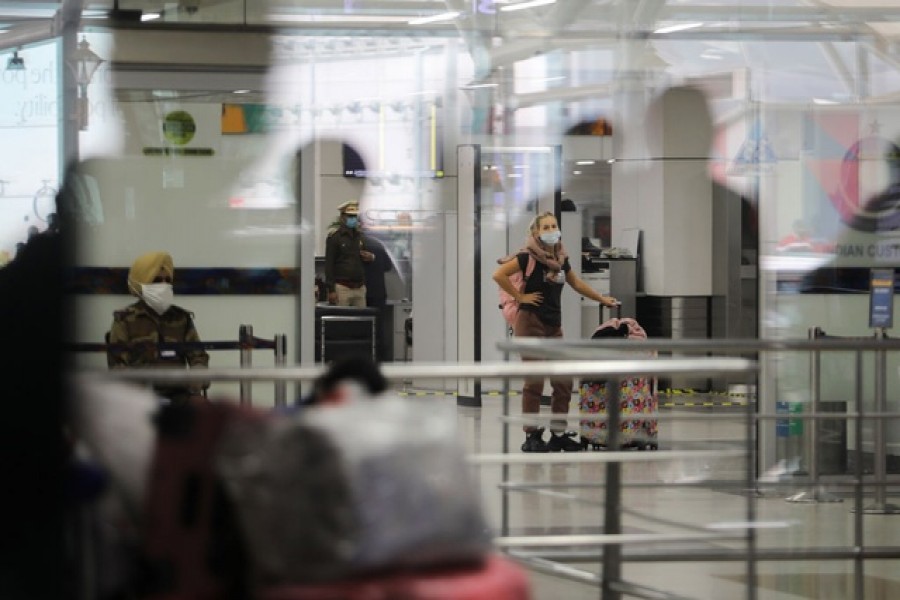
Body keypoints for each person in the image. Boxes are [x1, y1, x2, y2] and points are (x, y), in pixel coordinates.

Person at [493, 211, 619, 453]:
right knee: (535, 382)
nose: (552, 230)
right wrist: (520, 296)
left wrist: (602, 298)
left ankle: (558, 434)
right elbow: (498, 274)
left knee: (562, 381)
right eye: (546, 227)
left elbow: (576, 283)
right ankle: (531, 436)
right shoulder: (526, 257)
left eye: (554, 226)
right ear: (536, 232)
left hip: (553, 325)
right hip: (529, 323)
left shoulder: (561, 258)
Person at [107, 251, 210, 404]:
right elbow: (118, 367)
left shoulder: (182, 318)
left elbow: (198, 358)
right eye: (157, 280)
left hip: (179, 396)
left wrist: (196, 384)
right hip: (138, 398)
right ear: (142, 284)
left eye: (167, 280)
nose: (163, 285)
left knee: (207, 414)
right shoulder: (125, 320)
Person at [324, 200, 373, 306]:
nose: (353, 219)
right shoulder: (335, 237)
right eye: (350, 216)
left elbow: (365, 257)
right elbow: (329, 265)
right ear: (342, 217)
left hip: (360, 287)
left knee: (362, 321)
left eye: (355, 216)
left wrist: (370, 258)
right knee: (343, 320)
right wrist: (331, 290)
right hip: (342, 288)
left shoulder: (360, 236)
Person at [362, 229, 394, 360]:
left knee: (362, 328)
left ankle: (366, 358)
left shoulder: (357, 245)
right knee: (379, 329)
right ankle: (381, 359)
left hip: (362, 291)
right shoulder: (379, 245)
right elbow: (388, 266)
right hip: (379, 292)